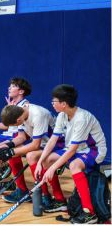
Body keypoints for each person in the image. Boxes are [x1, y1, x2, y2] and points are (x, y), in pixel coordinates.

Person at [35, 84, 107, 224]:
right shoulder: (62, 115)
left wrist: (52, 168)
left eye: (54, 101)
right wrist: (40, 162)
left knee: (74, 165)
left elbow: (72, 150)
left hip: (93, 149)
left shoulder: (82, 118)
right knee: (47, 160)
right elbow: (52, 141)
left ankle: (89, 213)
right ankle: (60, 200)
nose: (52, 104)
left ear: (64, 104)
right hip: (75, 147)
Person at [0, 104, 66, 209]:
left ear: (18, 120)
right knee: (14, 151)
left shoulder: (38, 115)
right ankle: (22, 190)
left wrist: (10, 153)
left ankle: (46, 195)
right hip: (44, 144)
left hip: (59, 144)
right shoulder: (20, 112)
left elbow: (35, 145)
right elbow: (21, 137)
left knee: (31, 156)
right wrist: (7, 146)